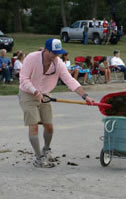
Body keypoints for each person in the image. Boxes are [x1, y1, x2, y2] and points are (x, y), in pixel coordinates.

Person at [18, 38, 94, 168]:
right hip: (28, 94)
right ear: (46, 50)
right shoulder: (32, 58)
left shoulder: (58, 63)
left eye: (58, 52)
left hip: (45, 94)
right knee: (34, 125)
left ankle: (46, 150)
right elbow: (23, 79)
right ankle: (39, 158)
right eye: (54, 52)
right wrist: (35, 92)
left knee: (49, 126)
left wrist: (85, 96)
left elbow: (70, 81)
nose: (56, 55)